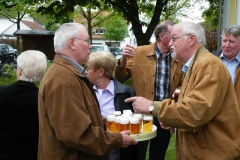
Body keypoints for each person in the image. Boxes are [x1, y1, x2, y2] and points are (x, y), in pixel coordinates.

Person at [126, 21, 240, 159]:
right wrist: (172, 120)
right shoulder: (196, 65)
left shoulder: (209, 65)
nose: (169, 44)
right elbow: (191, 108)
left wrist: (151, 107)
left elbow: (195, 112)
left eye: (174, 38)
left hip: (209, 154)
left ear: (191, 39)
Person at [38, 23, 137, 160]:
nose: (90, 46)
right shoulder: (64, 80)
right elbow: (78, 134)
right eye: (87, 41)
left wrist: (112, 123)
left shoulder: (69, 74)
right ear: (72, 42)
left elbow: (83, 119)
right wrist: (117, 139)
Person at [114, 20, 184, 160]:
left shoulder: (178, 57)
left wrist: (177, 93)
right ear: (162, 36)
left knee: (158, 154)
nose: (177, 39)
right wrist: (122, 61)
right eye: (174, 35)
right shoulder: (139, 52)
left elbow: (183, 83)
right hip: (140, 114)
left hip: (164, 113)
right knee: (137, 153)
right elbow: (119, 78)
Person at [85, 50, 138, 160]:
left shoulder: (127, 93)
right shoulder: (84, 92)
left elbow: (135, 129)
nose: (86, 72)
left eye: (88, 69)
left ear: (100, 72)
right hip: (91, 153)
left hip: (117, 154)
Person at [0, 50, 47, 160]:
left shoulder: (2, 93)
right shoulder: (43, 100)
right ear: (42, 74)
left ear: (20, 71)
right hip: (31, 154)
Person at [212, 25, 240, 106]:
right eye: (224, 41)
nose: (227, 45)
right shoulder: (211, 60)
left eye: (231, 42)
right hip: (214, 111)